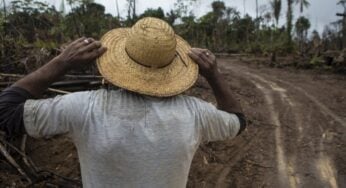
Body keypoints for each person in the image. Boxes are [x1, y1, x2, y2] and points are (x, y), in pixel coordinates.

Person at [0, 17, 246, 187]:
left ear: (120, 60)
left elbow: (5, 111)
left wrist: (62, 62)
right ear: (172, 66)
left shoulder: (86, 108)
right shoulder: (195, 114)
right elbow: (237, 121)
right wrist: (214, 75)